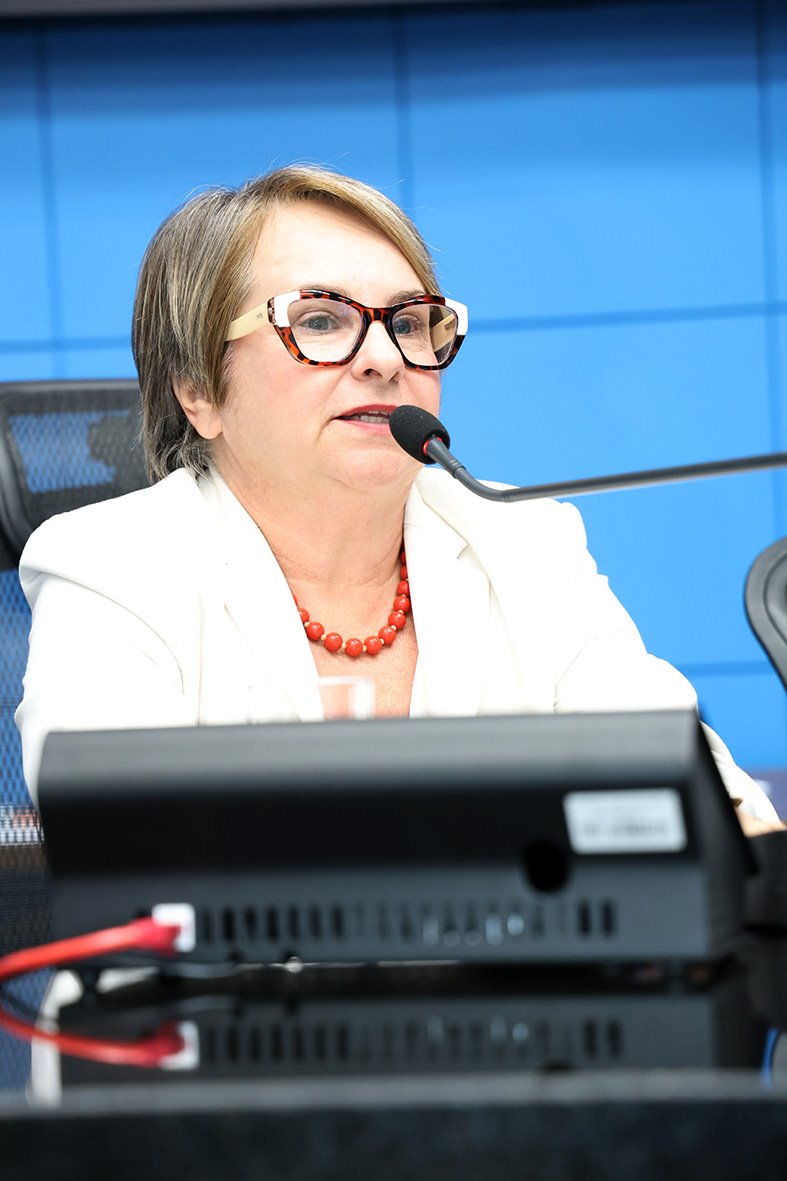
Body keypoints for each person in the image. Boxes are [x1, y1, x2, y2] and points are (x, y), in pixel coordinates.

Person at [15, 164, 779, 828]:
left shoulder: (522, 540)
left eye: (410, 323)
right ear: (198, 390)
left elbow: (711, 803)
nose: (385, 358)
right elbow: (120, 838)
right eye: (319, 320)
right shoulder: (109, 566)